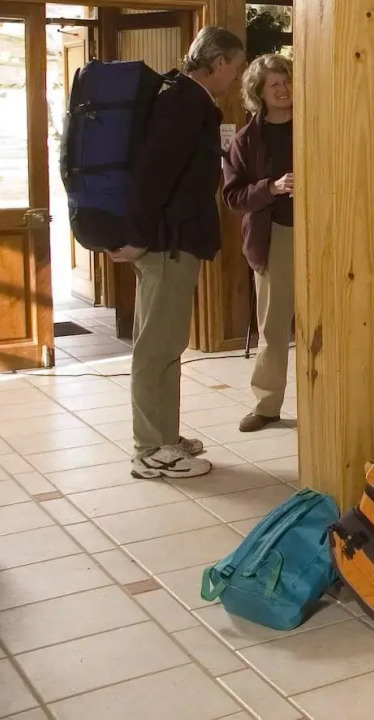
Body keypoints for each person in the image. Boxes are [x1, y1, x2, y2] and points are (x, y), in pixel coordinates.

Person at [113, 26, 246, 481]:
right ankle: (150, 448)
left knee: (167, 344)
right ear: (220, 62)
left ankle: (164, 437)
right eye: (237, 66)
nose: (236, 76)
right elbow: (154, 174)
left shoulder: (186, 98)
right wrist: (138, 236)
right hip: (166, 245)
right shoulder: (184, 102)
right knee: (157, 347)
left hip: (172, 243)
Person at [222, 53, 296, 433]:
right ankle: (267, 406)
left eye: (287, 81)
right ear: (259, 92)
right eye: (275, 84)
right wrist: (273, 187)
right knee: (273, 327)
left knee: (332, 324)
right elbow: (233, 198)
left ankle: (333, 398)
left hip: (324, 235)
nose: (283, 89)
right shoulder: (246, 140)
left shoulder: (316, 125)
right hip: (276, 238)